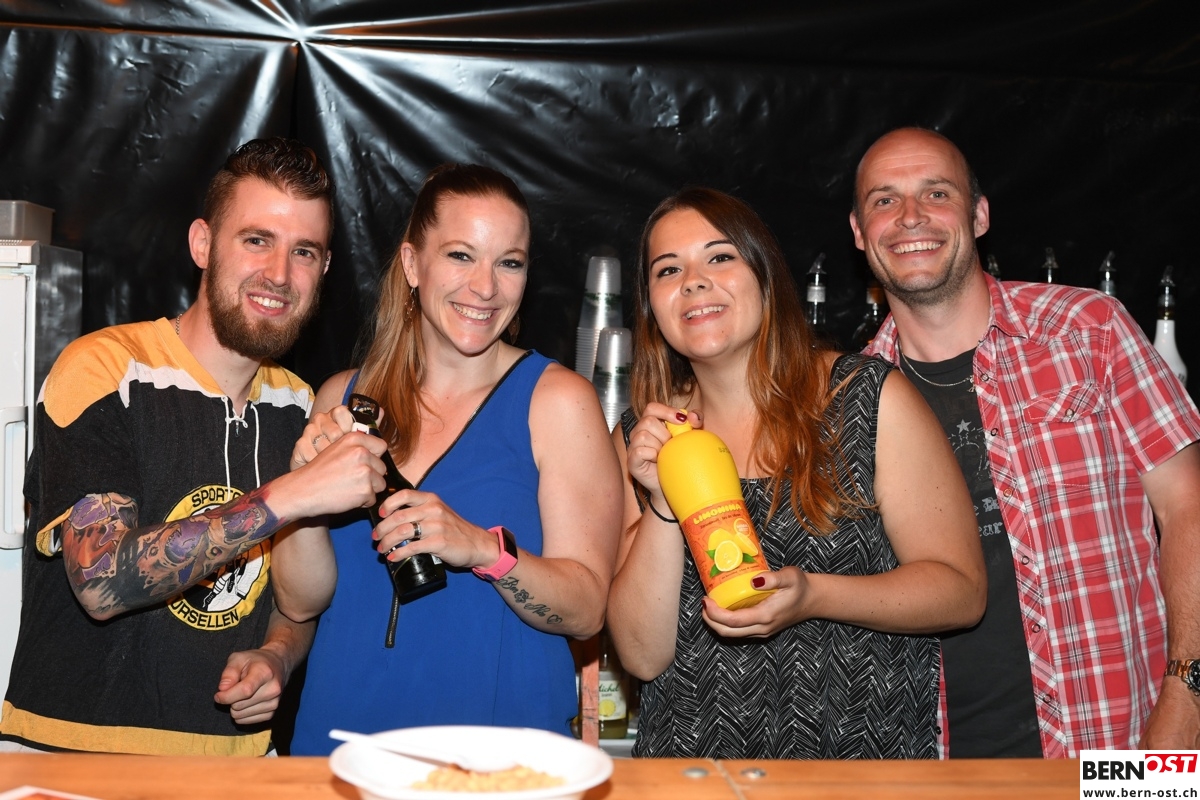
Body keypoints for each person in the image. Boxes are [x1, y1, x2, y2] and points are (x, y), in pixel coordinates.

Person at [0, 138, 390, 756]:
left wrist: (277, 655)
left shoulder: (298, 405)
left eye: (304, 251)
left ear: (324, 268)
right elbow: (100, 582)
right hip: (78, 759)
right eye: (257, 240)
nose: (279, 274)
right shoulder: (107, 369)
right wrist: (291, 494)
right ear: (203, 244)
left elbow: (297, 605)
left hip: (234, 763)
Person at [850, 127, 1200, 757]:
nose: (910, 216)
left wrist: (1188, 699)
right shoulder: (850, 400)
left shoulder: (1089, 329)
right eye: (884, 200)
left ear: (979, 215)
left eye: (936, 193)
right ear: (858, 231)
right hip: (937, 767)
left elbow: (1189, 507)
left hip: (1123, 743)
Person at [605, 186, 986, 759]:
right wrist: (662, 500)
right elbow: (640, 655)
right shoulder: (643, 437)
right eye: (668, 269)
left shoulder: (865, 399)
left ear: (765, 277)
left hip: (859, 773)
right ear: (652, 307)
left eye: (720, 257)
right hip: (695, 776)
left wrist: (814, 595)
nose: (694, 282)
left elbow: (961, 592)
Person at [284, 163, 622, 755]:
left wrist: (485, 550)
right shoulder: (343, 398)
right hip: (341, 750)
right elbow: (300, 600)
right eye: (461, 255)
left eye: (509, 263)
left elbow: (587, 609)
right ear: (413, 264)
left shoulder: (556, 401)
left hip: (495, 762)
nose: (485, 287)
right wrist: (304, 492)